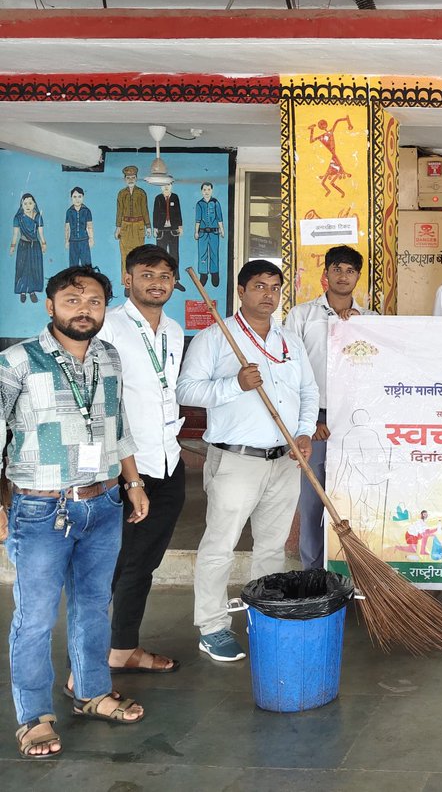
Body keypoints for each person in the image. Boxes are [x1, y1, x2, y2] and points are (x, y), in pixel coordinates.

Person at [0, 266, 151, 759]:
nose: (83, 308)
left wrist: (132, 482)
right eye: (72, 299)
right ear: (50, 306)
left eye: (94, 301)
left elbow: (116, 422)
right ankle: (33, 716)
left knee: (91, 606)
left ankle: (89, 692)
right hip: (40, 509)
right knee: (36, 616)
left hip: (103, 502)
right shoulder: (17, 361)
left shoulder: (108, 356)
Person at [177, 259, 318, 662]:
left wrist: (304, 431)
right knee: (220, 545)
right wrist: (233, 385)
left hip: (285, 459)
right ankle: (212, 626)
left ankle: (266, 614)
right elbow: (187, 390)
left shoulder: (289, 340)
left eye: (274, 287)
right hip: (237, 461)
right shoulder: (215, 337)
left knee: (272, 548)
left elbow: (308, 392)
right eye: (259, 286)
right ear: (241, 291)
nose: (268, 294)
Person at [95, 245, 187, 676]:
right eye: (147, 274)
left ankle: (122, 646)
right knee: (117, 563)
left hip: (168, 462)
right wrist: (130, 480)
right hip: (125, 469)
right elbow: (104, 404)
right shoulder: (108, 327)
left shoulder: (173, 328)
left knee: (144, 562)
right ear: (128, 278)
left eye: (165, 275)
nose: (157, 282)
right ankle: (101, 654)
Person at [284, 245, 376, 570]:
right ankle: (313, 574)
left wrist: (358, 329)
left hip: (356, 423)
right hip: (316, 422)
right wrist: (307, 423)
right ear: (325, 274)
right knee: (312, 502)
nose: (343, 275)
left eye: (350, 270)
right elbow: (288, 372)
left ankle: (354, 573)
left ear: (357, 277)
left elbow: (379, 373)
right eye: (337, 269)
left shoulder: (371, 321)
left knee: (357, 498)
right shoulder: (301, 316)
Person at [114, 167, 150, 281]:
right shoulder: (121, 194)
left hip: (139, 225)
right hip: (125, 226)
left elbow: (145, 210)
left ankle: (138, 281)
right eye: (128, 178)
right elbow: (119, 211)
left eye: (133, 178)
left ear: (136, 178)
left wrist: (148, 226)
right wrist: (118, 228)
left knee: (139, 256)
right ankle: (127, 282)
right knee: (125, 256)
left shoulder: (141, 193)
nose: (130, 180)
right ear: (124, 179)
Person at [10, 192, 46, 304]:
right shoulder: (18, 218)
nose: (28, 206)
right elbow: (15, 234)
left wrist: (44, 244)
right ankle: (22, 292)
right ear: (21, 205)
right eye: (25, 203)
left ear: (34, 204)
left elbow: (41, 234)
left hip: (35, 246)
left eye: (30, 203)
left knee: (34, 269)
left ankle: (31, 292)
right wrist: (12, 246)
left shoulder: (38, 216)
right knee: (22, 268)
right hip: (23, 246)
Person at [150, 182, 186, 291]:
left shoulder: (175, 197)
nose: (166, 187)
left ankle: (175, 280)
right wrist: (155, 228)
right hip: (161, 230)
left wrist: (180, 226)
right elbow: (155, 213)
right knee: (160, 257)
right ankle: (159, 282)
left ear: (171, 186)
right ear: (161, 187)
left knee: (174, 255)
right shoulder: (158, 198)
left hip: (173, 230)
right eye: (164, 185)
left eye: (168, 185)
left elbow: (178, 212)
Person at [194, 182, 224, 288]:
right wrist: (196, 232)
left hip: (214, 232)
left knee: (214, 253)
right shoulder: (199, 204)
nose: (206, 192)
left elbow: (219, 217)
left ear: (212, 190)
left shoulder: (215, 203)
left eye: (208, 189)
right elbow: (197, 219)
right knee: (202, 254)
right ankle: (203, 274)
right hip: (202, 232)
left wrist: (222, 230)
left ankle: (214, 274)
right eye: (204, 190)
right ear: (202, 191)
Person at [63, 187, 93, 268]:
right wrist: (66, 240)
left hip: (84, 241)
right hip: (73, 241)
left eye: (79, 196)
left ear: (83, 197)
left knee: (87, 265)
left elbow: (89, 226)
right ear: (71, 198)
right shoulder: (69, 211)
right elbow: (67, 227)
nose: (77, 199)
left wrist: (91, 239)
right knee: (73, 266)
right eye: (74, 197)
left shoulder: (87, 211)